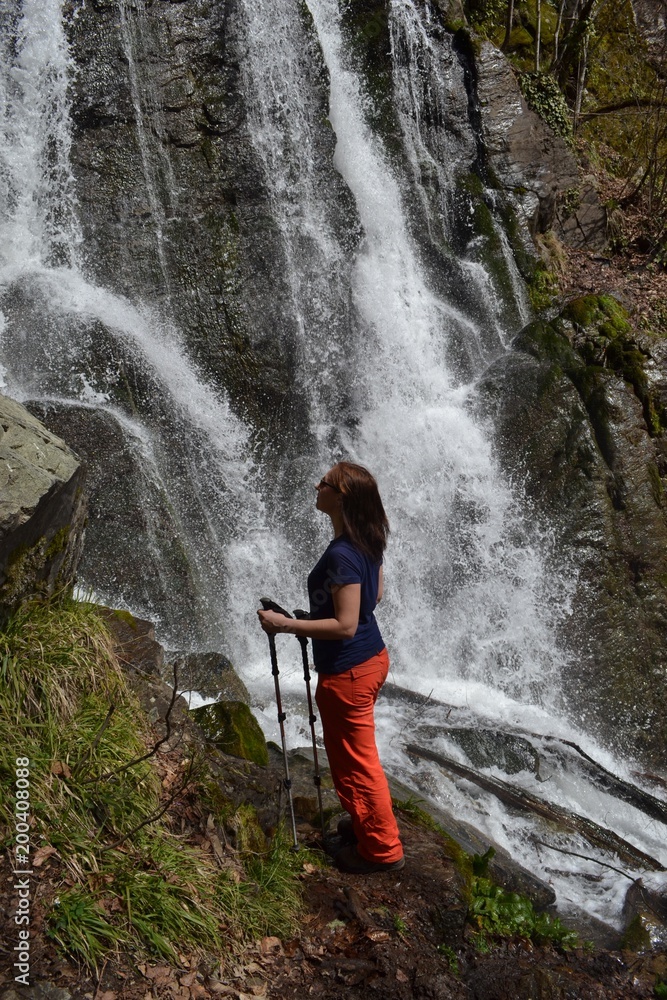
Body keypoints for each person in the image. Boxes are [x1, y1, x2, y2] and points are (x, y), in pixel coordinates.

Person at [257, 461, 405, 874]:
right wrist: (315, 615)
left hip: (350, 670)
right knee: (348, 759)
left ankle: (381, 850)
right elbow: (370, 602)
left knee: (357, 763)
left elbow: (344, 625)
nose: (317, 486)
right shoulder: (367, 539)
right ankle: (364, 826)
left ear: (342, 498)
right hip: (370, 659)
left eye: (325, 483)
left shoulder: (342, 552)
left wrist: (286, 625)